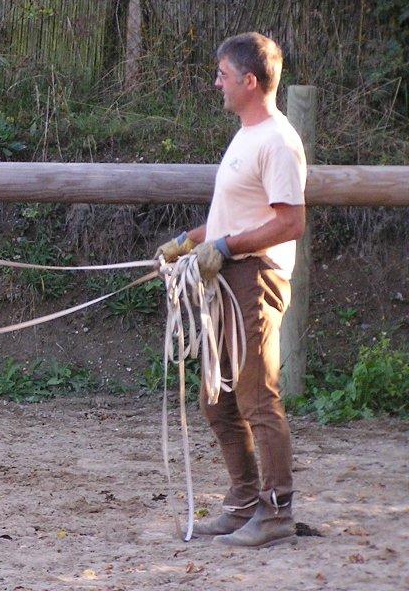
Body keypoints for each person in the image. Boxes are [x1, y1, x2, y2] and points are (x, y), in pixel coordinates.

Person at [155, 32, 307, 548]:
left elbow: (290, 223)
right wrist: (189, 241)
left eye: (222, 74)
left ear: (249, 80)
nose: (215, 82)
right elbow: (236, 216)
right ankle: (244, 503)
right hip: (227, 276)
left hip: (255, 277)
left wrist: (224, 245)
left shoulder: (277, 141)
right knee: (217, 401)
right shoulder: (246, 136)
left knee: (256, 397)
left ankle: (276, 511)